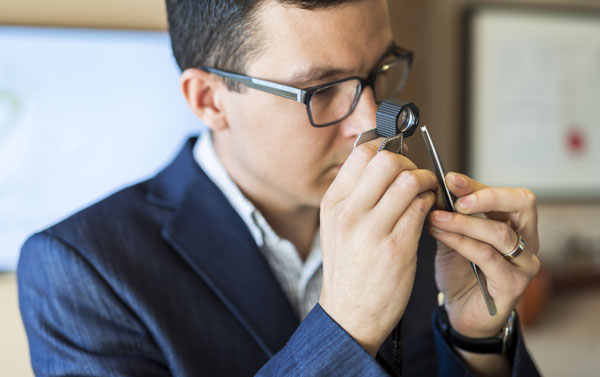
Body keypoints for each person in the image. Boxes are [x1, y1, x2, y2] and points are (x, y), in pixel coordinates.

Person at [18, 0, 542, 376]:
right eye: (322, 89)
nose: (370, 121)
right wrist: (345, 327)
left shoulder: (427, 230)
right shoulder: (80, 269)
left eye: (378, 71)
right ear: (209, 99)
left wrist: (476, 336)